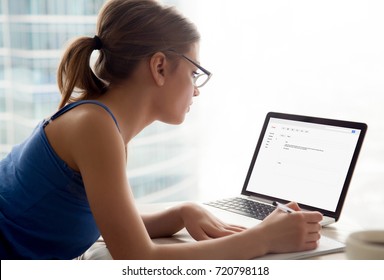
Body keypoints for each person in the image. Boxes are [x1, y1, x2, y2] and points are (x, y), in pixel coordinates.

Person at [0, 0, 322, 260]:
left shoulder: (101, 121)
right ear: (159, 67)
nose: (196, 90)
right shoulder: (95, 127)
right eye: (195, 73)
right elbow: (137, 257)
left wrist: (180, 213)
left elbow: (109, 225)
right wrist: (263, 239)